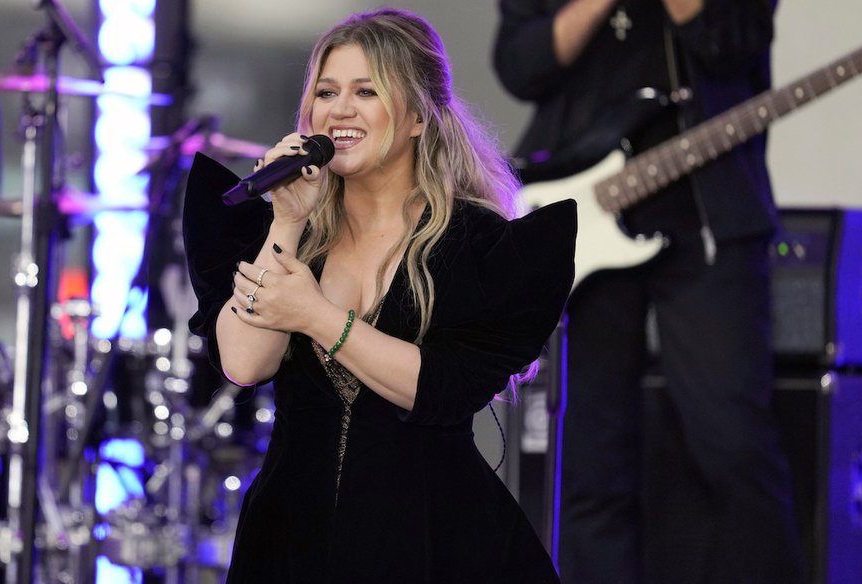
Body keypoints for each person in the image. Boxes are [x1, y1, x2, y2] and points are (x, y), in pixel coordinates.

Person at [182, 7, 575, 583]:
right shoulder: (284, 234)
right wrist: (287, 223)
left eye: (366, 91)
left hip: (430, 539)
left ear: (418, 116)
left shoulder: (475, 244)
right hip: (290, 540)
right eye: (326, 91)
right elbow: (244, 364)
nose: (338, 109)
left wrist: (318, 317)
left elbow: (441, 390)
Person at [493, 1, 804, 583]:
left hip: (708, 218)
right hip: (590, 215)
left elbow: (731, 42)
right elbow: (520, 66)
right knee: (593, 455)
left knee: (733, 443)